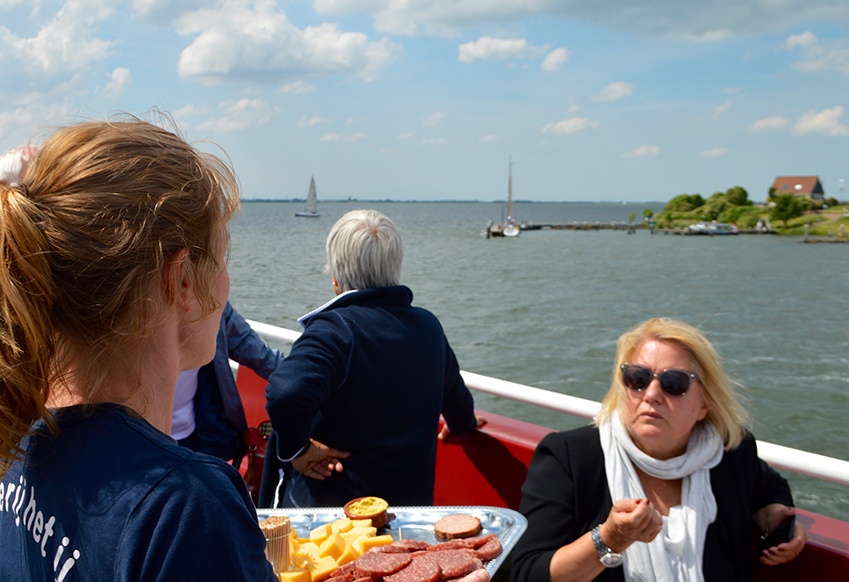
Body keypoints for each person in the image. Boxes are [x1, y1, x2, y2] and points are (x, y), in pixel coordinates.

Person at [0, 117, 276, 580]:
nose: (228, 283)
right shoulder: (183, 509)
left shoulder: (17, 450)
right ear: (182, 281)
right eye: (222, 257)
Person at [511, 317, 807, 582]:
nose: (651, 395)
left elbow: (770, 489)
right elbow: (527, 572)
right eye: (637, 379)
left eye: (674, 383)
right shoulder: (568, 459)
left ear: (705, 403)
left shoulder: (731, 452)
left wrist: (777, 521)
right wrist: (609, 538)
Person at [260, 209, 485, 508]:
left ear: (335, 277)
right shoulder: (428, 326)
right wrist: (462, 423)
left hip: (335, 522)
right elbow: (455, 398)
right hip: (406, 515)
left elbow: (286, 393)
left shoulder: (335, 330)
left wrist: (297, 451)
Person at [173, 300, 282, 461]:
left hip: (196, 432)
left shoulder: (211, 297)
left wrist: (304, 378)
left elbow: (252, 348)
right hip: (138, 436)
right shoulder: (131, 304)